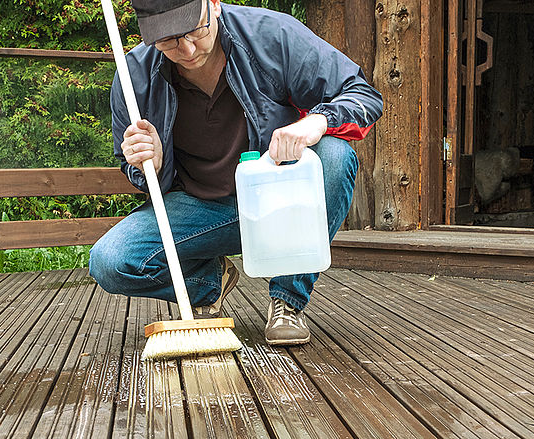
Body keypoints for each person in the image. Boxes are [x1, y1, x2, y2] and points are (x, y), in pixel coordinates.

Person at [88, 0, 382, 346]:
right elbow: (137, 171)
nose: (186, 49)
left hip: (275, 197)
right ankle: (208, 282)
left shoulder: (272, 35)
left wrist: (316, 123)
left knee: (334, 156)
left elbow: (363, 94)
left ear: (213, 4)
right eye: (167, 40)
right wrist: (150, 164)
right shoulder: (133, 76)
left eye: (194, 30)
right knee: (111, 261)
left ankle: (287, 299)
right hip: (199, 208)